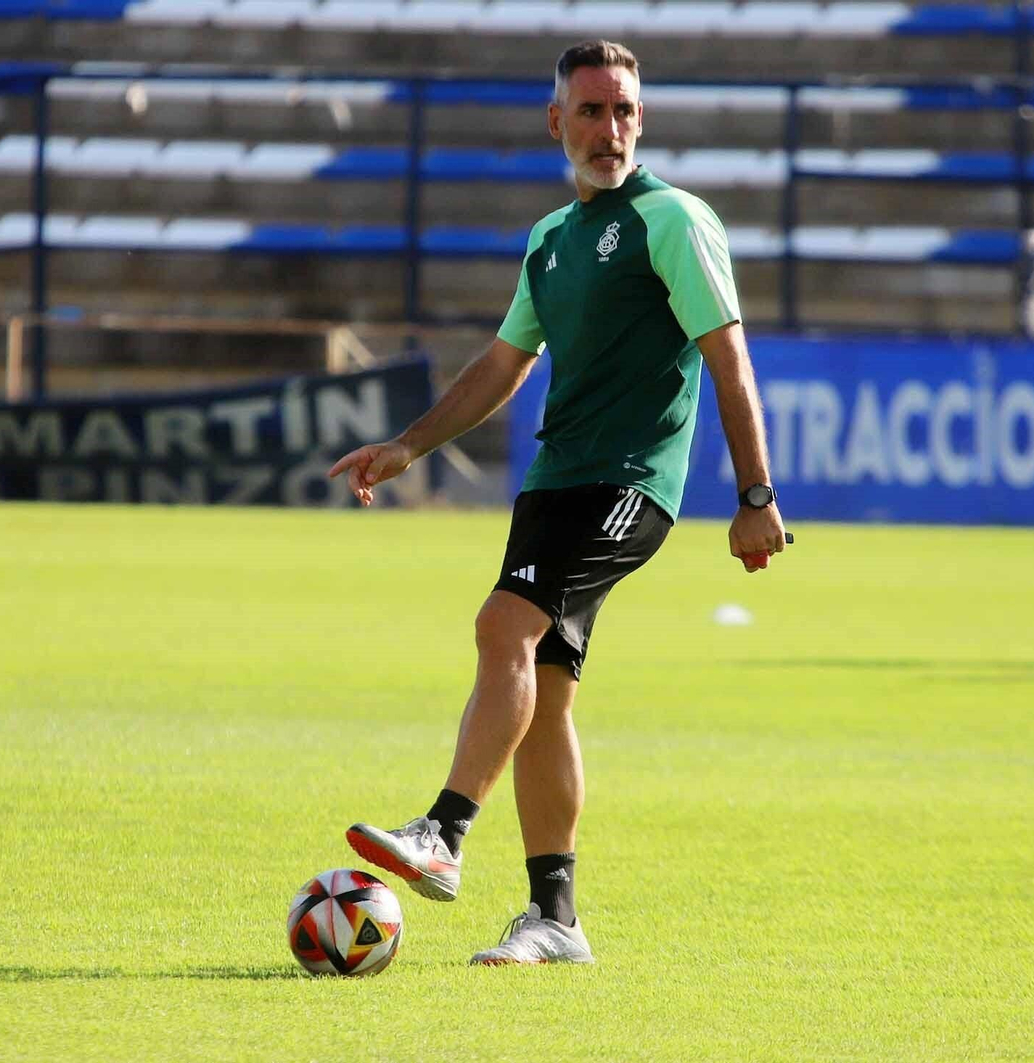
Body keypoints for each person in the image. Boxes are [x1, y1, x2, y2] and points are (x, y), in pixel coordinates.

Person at [328, 39, 787, 966]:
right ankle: (556, 917)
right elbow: (504, 364)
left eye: (623, 110)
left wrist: (753, 493)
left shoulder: (672, 219)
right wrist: (409, 443)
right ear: (557, 121)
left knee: (503, 629)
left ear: (641, 119)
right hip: (554, 481)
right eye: (590, 111)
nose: (608, 129)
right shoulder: (549, 241)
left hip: (629, 483)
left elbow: (728, 357)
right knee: (546, 693)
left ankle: (446, 833)